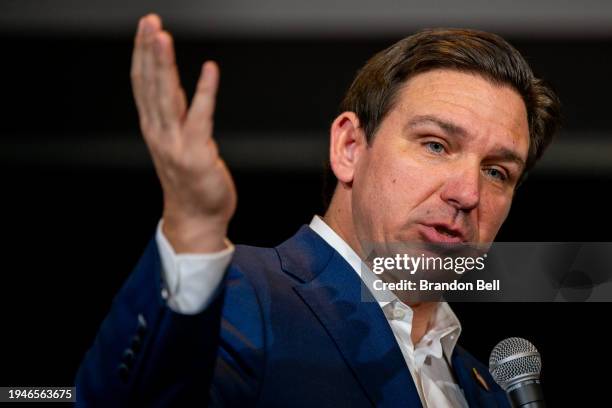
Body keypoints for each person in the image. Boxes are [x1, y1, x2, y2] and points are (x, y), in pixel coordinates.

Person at [75, 13, 561, 407]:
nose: (468, 193)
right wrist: (193, 228)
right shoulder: (241, 295)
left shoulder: (490, 388)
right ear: (350, 146)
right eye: (435, 145)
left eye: (498, 172)